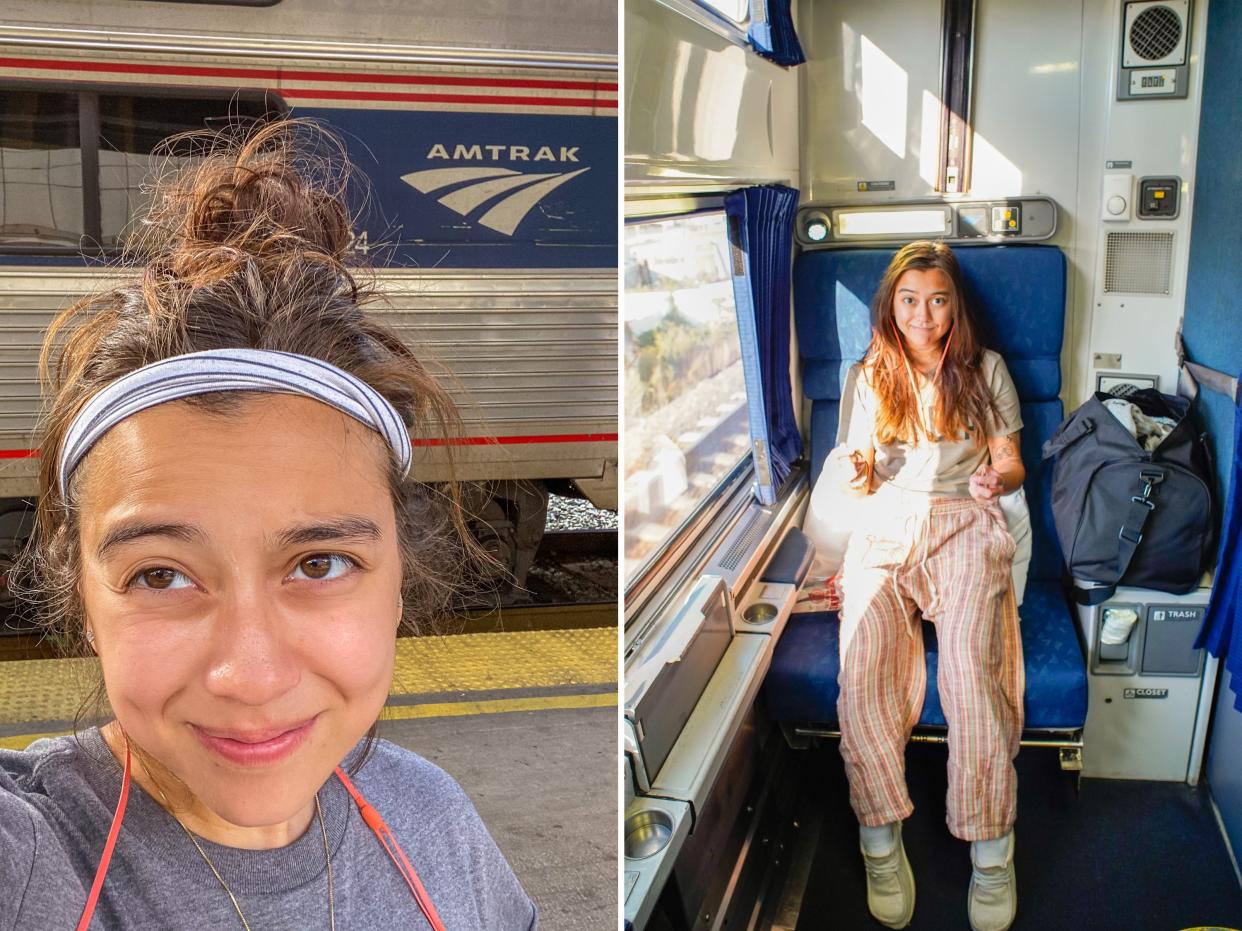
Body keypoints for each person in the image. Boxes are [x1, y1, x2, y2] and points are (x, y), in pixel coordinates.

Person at [0, 120, 536, 930]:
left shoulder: (436, 823)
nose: (250, 677)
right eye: (161, 575)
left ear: (401, 579)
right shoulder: (35, 864)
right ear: (83, 600)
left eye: (319, 563)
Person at [829, 241, 1024, 931]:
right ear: (891, 305)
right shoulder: (869, 376)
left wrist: (992, 480)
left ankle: (992, 850)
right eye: (909, 299)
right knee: (863, 672)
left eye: (937, 299)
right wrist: (856, 475)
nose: (923, 313)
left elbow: (1010, 462)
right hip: (887, 521)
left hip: (964, 521)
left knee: (973, 672)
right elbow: (858, 467)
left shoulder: (986, 370)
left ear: (954, 305)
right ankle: (879, 839)